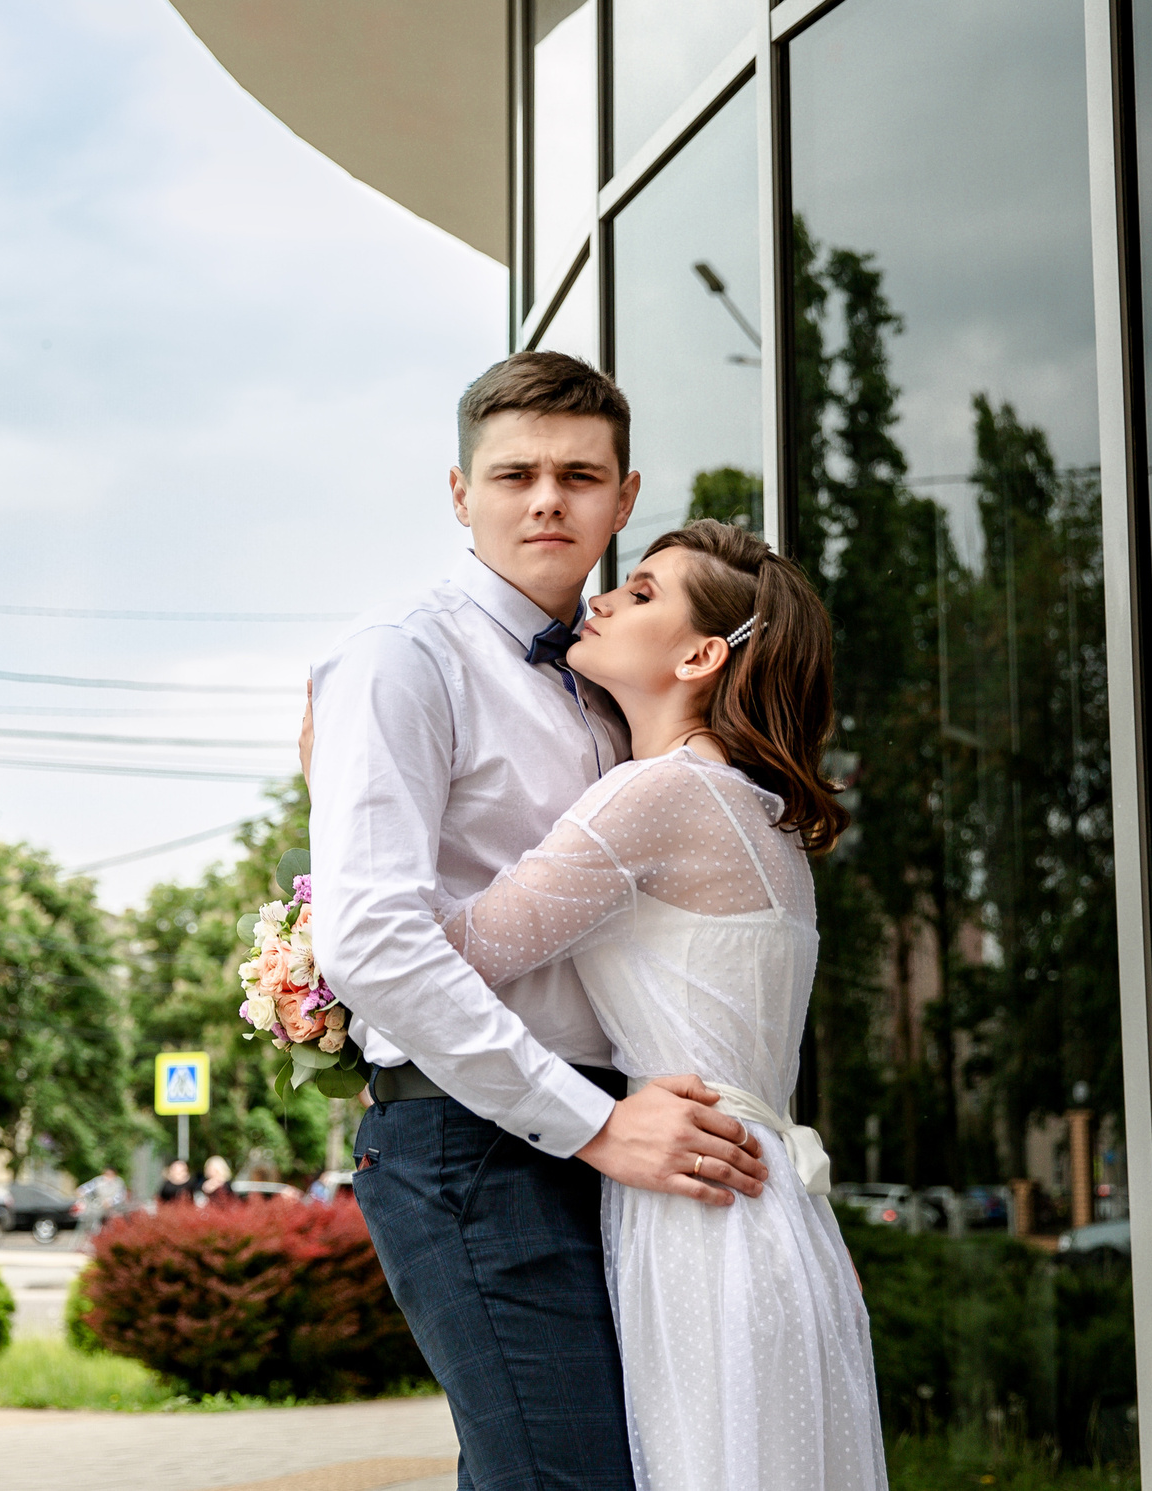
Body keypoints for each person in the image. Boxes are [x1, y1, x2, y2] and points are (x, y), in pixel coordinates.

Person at [311, 352, 770, 1491]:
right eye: (513, 473)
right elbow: (370, 942)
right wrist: (594, 1126)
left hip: (615, 1141)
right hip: (473, 1143)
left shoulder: (619, 683)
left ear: (624, 497)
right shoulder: (401, 657)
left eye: (580, 474)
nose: (547, 499)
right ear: (461, 495)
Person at [434, 519, 881, 1490]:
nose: (599, 598)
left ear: (699, 654)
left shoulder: (658, 796)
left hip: (698, 1220)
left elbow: (453, 954)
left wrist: (341, 793)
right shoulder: (751, 811)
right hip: (768, 1221)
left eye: (638, 593)